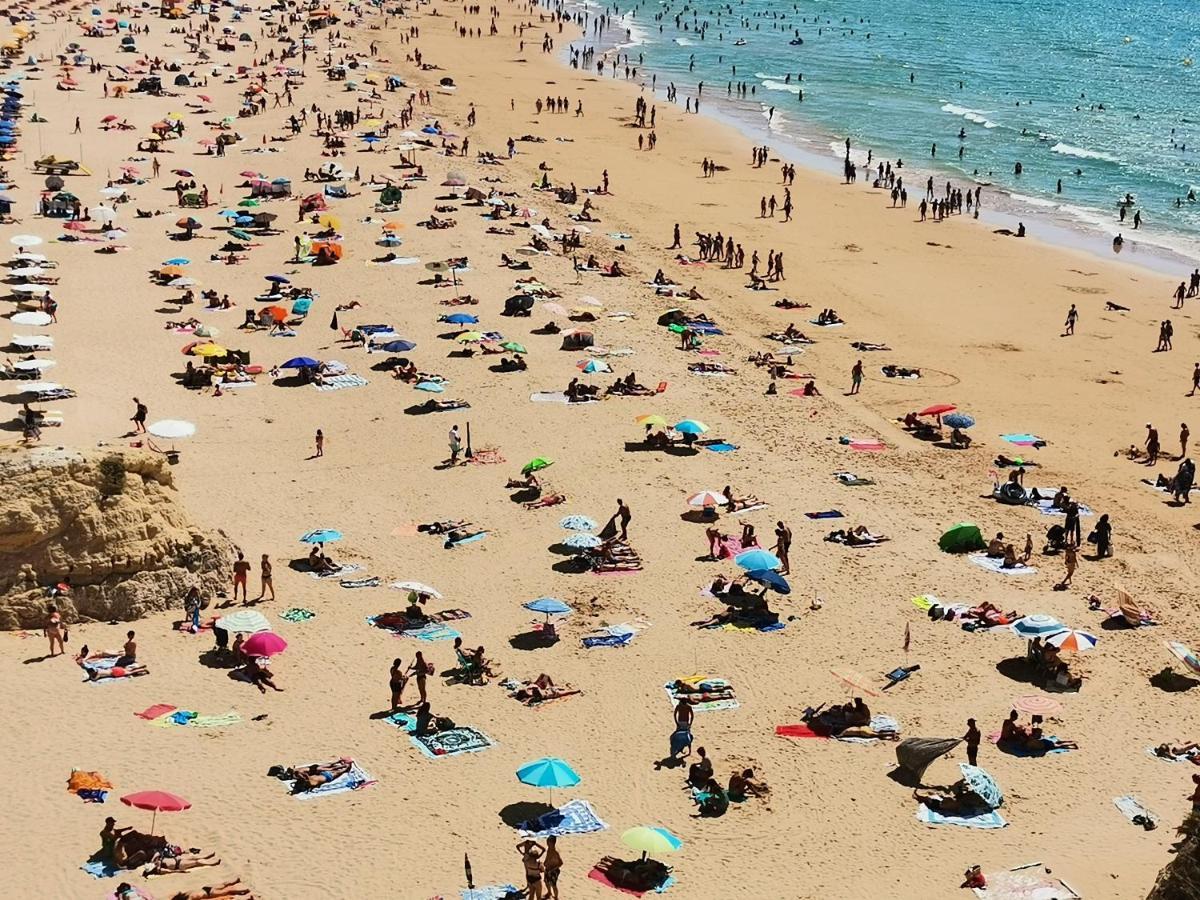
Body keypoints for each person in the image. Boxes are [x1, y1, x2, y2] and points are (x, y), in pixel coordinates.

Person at [167, 879, 252, 900]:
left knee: (227, 891)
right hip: (205, 887)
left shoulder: (190, 898)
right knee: (223, 884)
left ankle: (244, 891)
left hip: (209, 893)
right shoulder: (186, 893)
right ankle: (236, 880)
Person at [543, 836, 562, 900]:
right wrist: (545, 862)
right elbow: (547, 857)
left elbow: (561, 863)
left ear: (553, 843)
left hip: (554, 870)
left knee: (553, 885)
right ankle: (549, 892)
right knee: (546, 881)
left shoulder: (555, 852)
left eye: (548, 842)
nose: (547, 843)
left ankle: (556, 897)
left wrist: (552, 869)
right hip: (547, 869)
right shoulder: (548, 849)